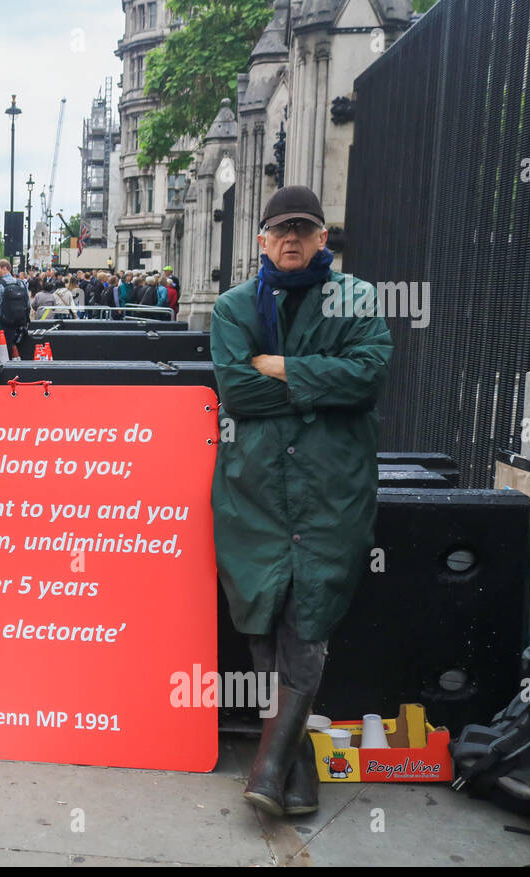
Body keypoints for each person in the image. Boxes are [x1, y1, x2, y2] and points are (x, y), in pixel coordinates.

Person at [210, 185, 392, 819]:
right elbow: (236, 392)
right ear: (262, 240)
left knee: (309, 617)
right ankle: (296, 763)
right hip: (254, 490)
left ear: (323, 238)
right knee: (260, 612)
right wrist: (320, 378)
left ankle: (267, 765)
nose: (292, 238)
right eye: (281, 229)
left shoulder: (357, 298)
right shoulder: (234, 308)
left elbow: (368, 378)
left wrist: (283, 367)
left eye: (304, 229)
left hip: (329, 491)